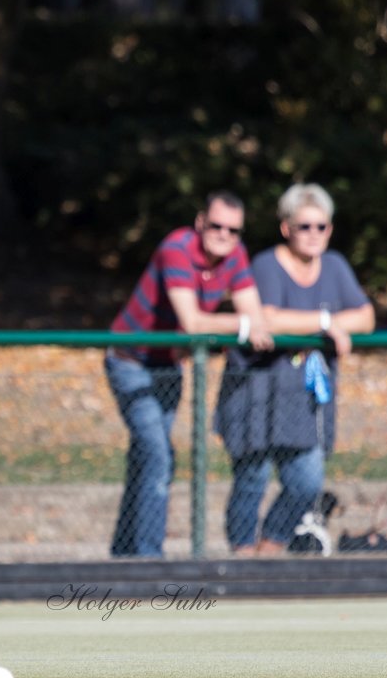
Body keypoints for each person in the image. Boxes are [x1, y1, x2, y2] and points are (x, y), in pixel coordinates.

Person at [106, 191, 274, 559]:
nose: (224, 235)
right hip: (130, 363)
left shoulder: (235, 256)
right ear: (200, 223)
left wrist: (246, 323)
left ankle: (123, 554)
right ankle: (149, 561)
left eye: (233, 230)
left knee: (146, 459)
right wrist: (244, 326)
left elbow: (255, 314)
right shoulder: (177, 248)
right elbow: (194, 322)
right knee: (158, 457)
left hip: (168, 366)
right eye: (216, 226)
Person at [215, 183, 374, 556]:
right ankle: (241, 554)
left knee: (307, 481)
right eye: (304, 226)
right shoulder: (266, 265)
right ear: (286, 227)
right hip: (257, 391)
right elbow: (266, 317)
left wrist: (323, 324)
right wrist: (323, 321)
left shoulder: (334, 266)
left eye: (321, 226)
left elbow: (364, 316)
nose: (314, 234)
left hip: (303, 400)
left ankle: (270, 549)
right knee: (251, 479)